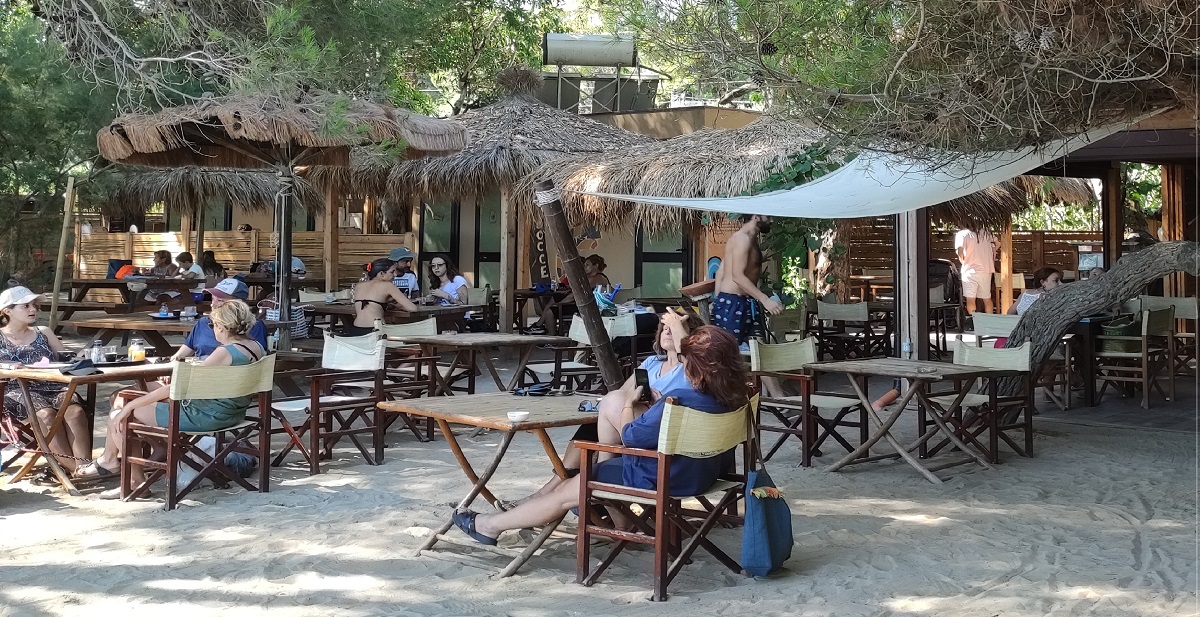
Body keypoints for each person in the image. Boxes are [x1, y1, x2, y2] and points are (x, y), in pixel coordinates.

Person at [451, 325, 748, 545]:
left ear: (692, 364)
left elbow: (631, 438)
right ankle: (617, 515)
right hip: (705, 475)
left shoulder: (680, 400)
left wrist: (630, 406)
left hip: (664, 477)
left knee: (572, 487)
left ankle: (490, 526)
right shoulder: (734, 399)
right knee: (592, 472)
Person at [75, 300, 267, 496]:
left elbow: (177, 388)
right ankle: (120, 465)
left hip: (206, 416)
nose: (212, 329)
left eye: (213, 325)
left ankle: (133, 479)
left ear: (222, 326)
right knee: (127, 406)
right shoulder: (256, 347)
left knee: (120, 412)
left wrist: (132, 404)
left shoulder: (224, 352)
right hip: (233, 414)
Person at [513, 310, 705, 504]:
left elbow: (695, 361)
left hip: (656, 437)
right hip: (631, 426)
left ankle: (593, 482)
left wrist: (651, 403)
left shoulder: (691, 369)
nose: (668, 331)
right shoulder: (652, 362)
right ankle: (555, 486)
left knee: (607, 413)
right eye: (664, 327)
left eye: (675, 327)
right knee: (591, 424)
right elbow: (621, 394)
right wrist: (636, 399)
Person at [0, 286, 90, 475]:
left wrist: (83, 356)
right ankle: (75, 469)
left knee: (75, 411)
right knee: (46, 414)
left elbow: (68, 359)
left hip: (54, 384)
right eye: (25, 306)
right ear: (7, 311)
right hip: (16, 390)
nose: (33, 309)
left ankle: (85, 466)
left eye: (34, 305)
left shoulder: (43, 332)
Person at [713, 214, 783, 347]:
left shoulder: (750, 239)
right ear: (756, 217)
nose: (771, 220)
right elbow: (737, 276)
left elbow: (721, 270)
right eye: (768, 217)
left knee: (757, 353)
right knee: (730, 354)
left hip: (744, 302)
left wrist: (718, 299)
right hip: (733, 304)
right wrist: (765, 299)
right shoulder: (742, 239)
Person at [171, 279, 268, 361]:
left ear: (238, 304)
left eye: (220, 300)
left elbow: (255, 362)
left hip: (223, 378)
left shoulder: (253, 326)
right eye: (213, 299)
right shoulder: (203, 323)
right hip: (200, 375)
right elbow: (180, 356)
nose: (213, 304)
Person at [528, 254, 612, 336]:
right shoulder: (591, 277)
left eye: (587, 265)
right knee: (555, 298)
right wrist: (568, 291)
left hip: (589, 309)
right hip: (584, 305)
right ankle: (541, 327)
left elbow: (577, 294)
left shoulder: (597, 278)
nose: (585, 267)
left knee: (550, 311)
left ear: (596, 266)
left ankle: (552, 337)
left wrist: (560, 303)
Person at [347, 258, 419, 336]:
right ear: (381, 274)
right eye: (392, 272)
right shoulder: (388, 286)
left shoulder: (359, 285)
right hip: (375, 332)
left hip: (355, 331)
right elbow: (412, 308)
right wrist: (394, 303)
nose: (395, 275)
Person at [954, 226, 997, 316]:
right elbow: (998, 243)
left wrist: (963, 261)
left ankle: (974, 322)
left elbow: (960, 251)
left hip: (969, 271)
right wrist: (990, 252)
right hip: (986, 270)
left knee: (970, 299)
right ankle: (990, 320)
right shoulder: (986, 233)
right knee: (987, 298)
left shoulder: (962, 234)